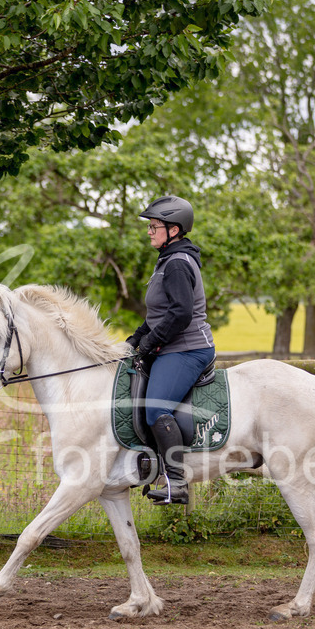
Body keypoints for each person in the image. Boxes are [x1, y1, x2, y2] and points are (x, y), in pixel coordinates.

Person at [125, 195, 215, 505]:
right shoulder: (166, 261)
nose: (149, 231)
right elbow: (156, 315)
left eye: (154, 226)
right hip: (173, 345)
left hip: (188, 348)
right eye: (149, 226)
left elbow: (180, 314)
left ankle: (177, 482)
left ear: (173, 230)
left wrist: (149, 345)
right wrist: (132, 342)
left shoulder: (177, 263)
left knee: (157, 409)